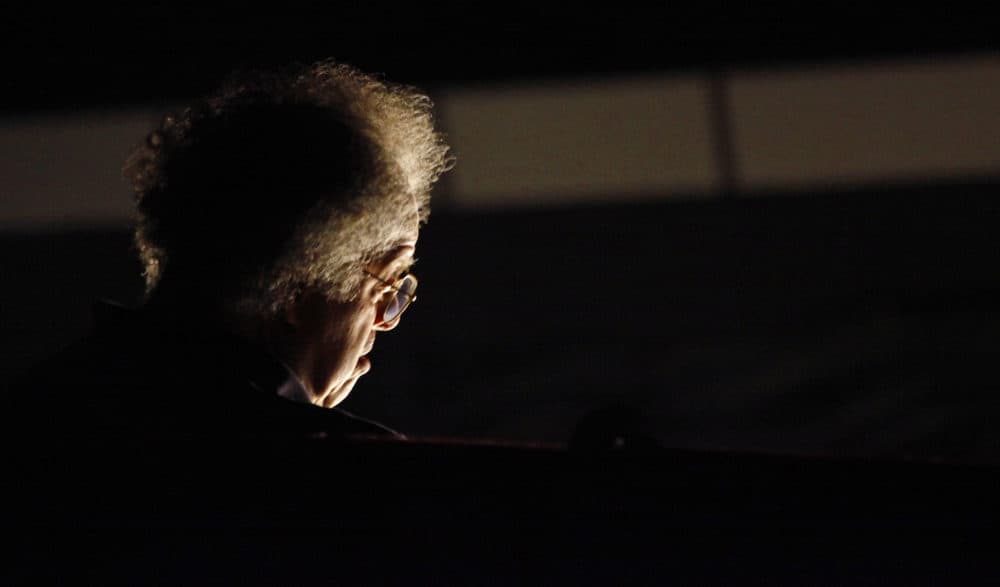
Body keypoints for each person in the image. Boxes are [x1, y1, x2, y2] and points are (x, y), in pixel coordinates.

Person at [4, 59, 453, 456]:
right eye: (387, 285)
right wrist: (302, 414)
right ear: (297, 287)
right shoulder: (360, 474)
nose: (386, 319)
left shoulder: (33, 408)